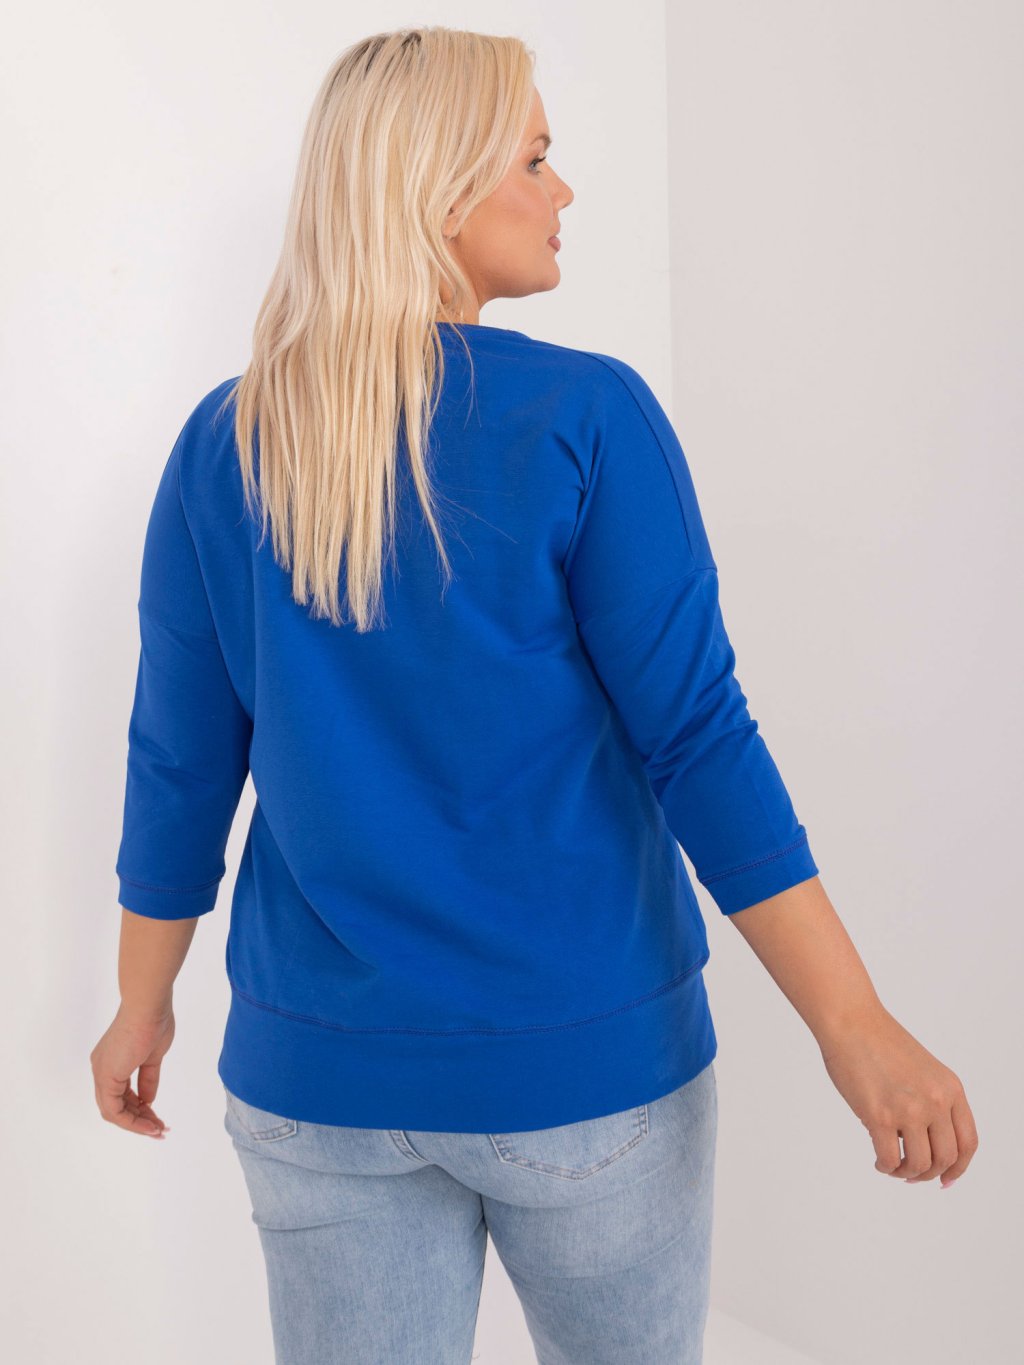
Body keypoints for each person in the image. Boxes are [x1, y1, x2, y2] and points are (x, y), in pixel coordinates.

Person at [89, 25, 978, 1365]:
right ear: (438, 188)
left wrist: (140, 1000)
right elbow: (699, 741)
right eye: (535, 159)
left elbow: (180, 762)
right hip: (585, 1070)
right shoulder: (586, 416)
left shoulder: (230, 438)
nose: (563, 190)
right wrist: (853, 1026)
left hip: (318, 1078)